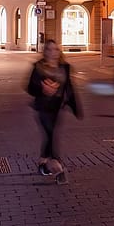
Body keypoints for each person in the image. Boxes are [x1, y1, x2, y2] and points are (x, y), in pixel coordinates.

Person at [25, 39, 82, 183]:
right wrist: (42, 89)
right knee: (50, 134)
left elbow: (69, 88)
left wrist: (75, 107)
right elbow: (30, 88)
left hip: (57, 107)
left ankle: (43, 164)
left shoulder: (64, 67)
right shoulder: (38, 67)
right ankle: (57, 167)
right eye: (49, 49)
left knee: (50, 135)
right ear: (45, 52)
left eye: (55, 49)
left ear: (59, 51)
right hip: (42, 107)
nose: (53, 52)